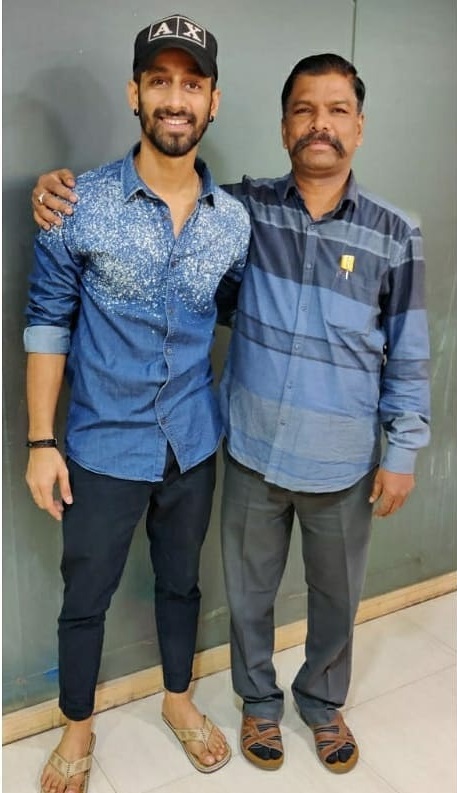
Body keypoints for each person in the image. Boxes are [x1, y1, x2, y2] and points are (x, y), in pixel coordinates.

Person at [31, 54, 430, 776]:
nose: (320, 125)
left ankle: (298, 702)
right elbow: (72, 308)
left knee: (304, 593)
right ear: (283, 126)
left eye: (337, 110)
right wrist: (55, 190)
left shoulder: (369, 230)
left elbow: (407, 348)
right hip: (206, 445)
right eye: (304, 110)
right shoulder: (232, 211)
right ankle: (225, 708)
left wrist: (402, 448)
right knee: (202, 593)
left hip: (305, 451)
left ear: (359, 126)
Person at [25, 13, 250, 793]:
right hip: (100, 447)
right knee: (85, 594)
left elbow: (235, 309)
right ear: (135, 93)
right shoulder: (76, 203)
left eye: (192, 84)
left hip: (192, 441)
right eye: (160, 81)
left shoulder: (233, 223)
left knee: (181, 582)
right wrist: (41, 442)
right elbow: (47, 322)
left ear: (213, 100)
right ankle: (77, 726)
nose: (175, 99)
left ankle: (178, 700)